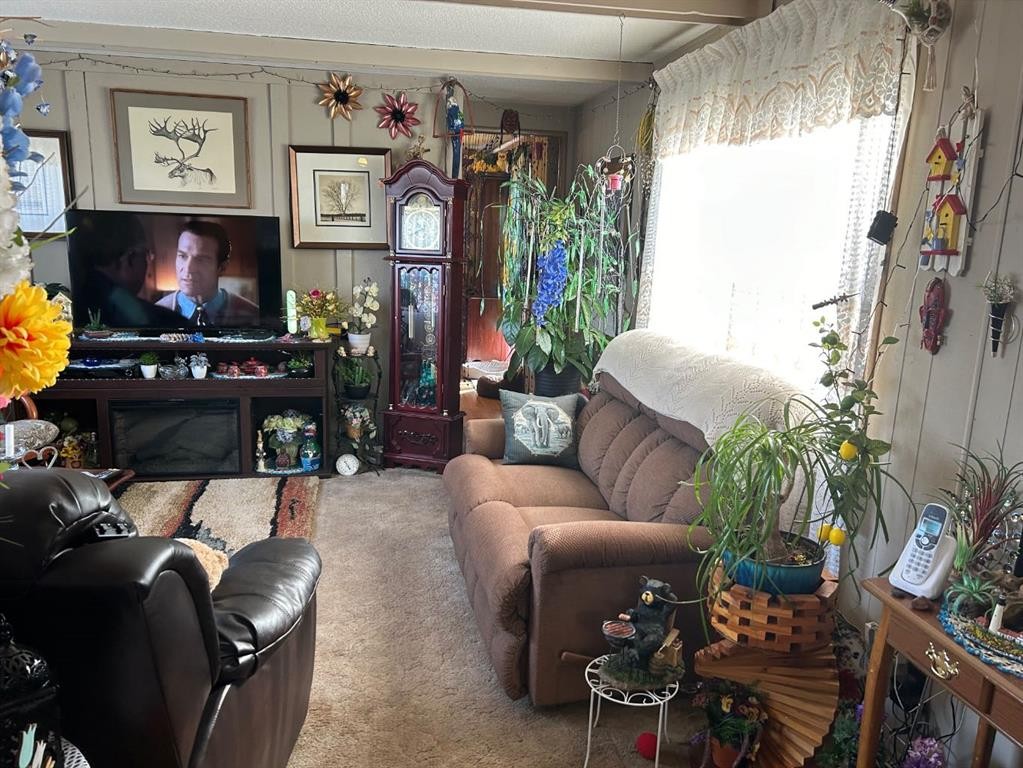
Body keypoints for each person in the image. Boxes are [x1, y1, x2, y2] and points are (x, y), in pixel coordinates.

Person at [72, 214, 182, 328]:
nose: (147, 262)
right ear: (130, 258)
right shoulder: (167, 322)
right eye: (146, 254)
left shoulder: (70, 302)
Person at [155, 220, 259, 326]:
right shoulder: (155, 315)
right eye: (182, 256)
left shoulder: (253, 316)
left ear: (222, 268)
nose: (188, 268)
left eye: (201, 260)